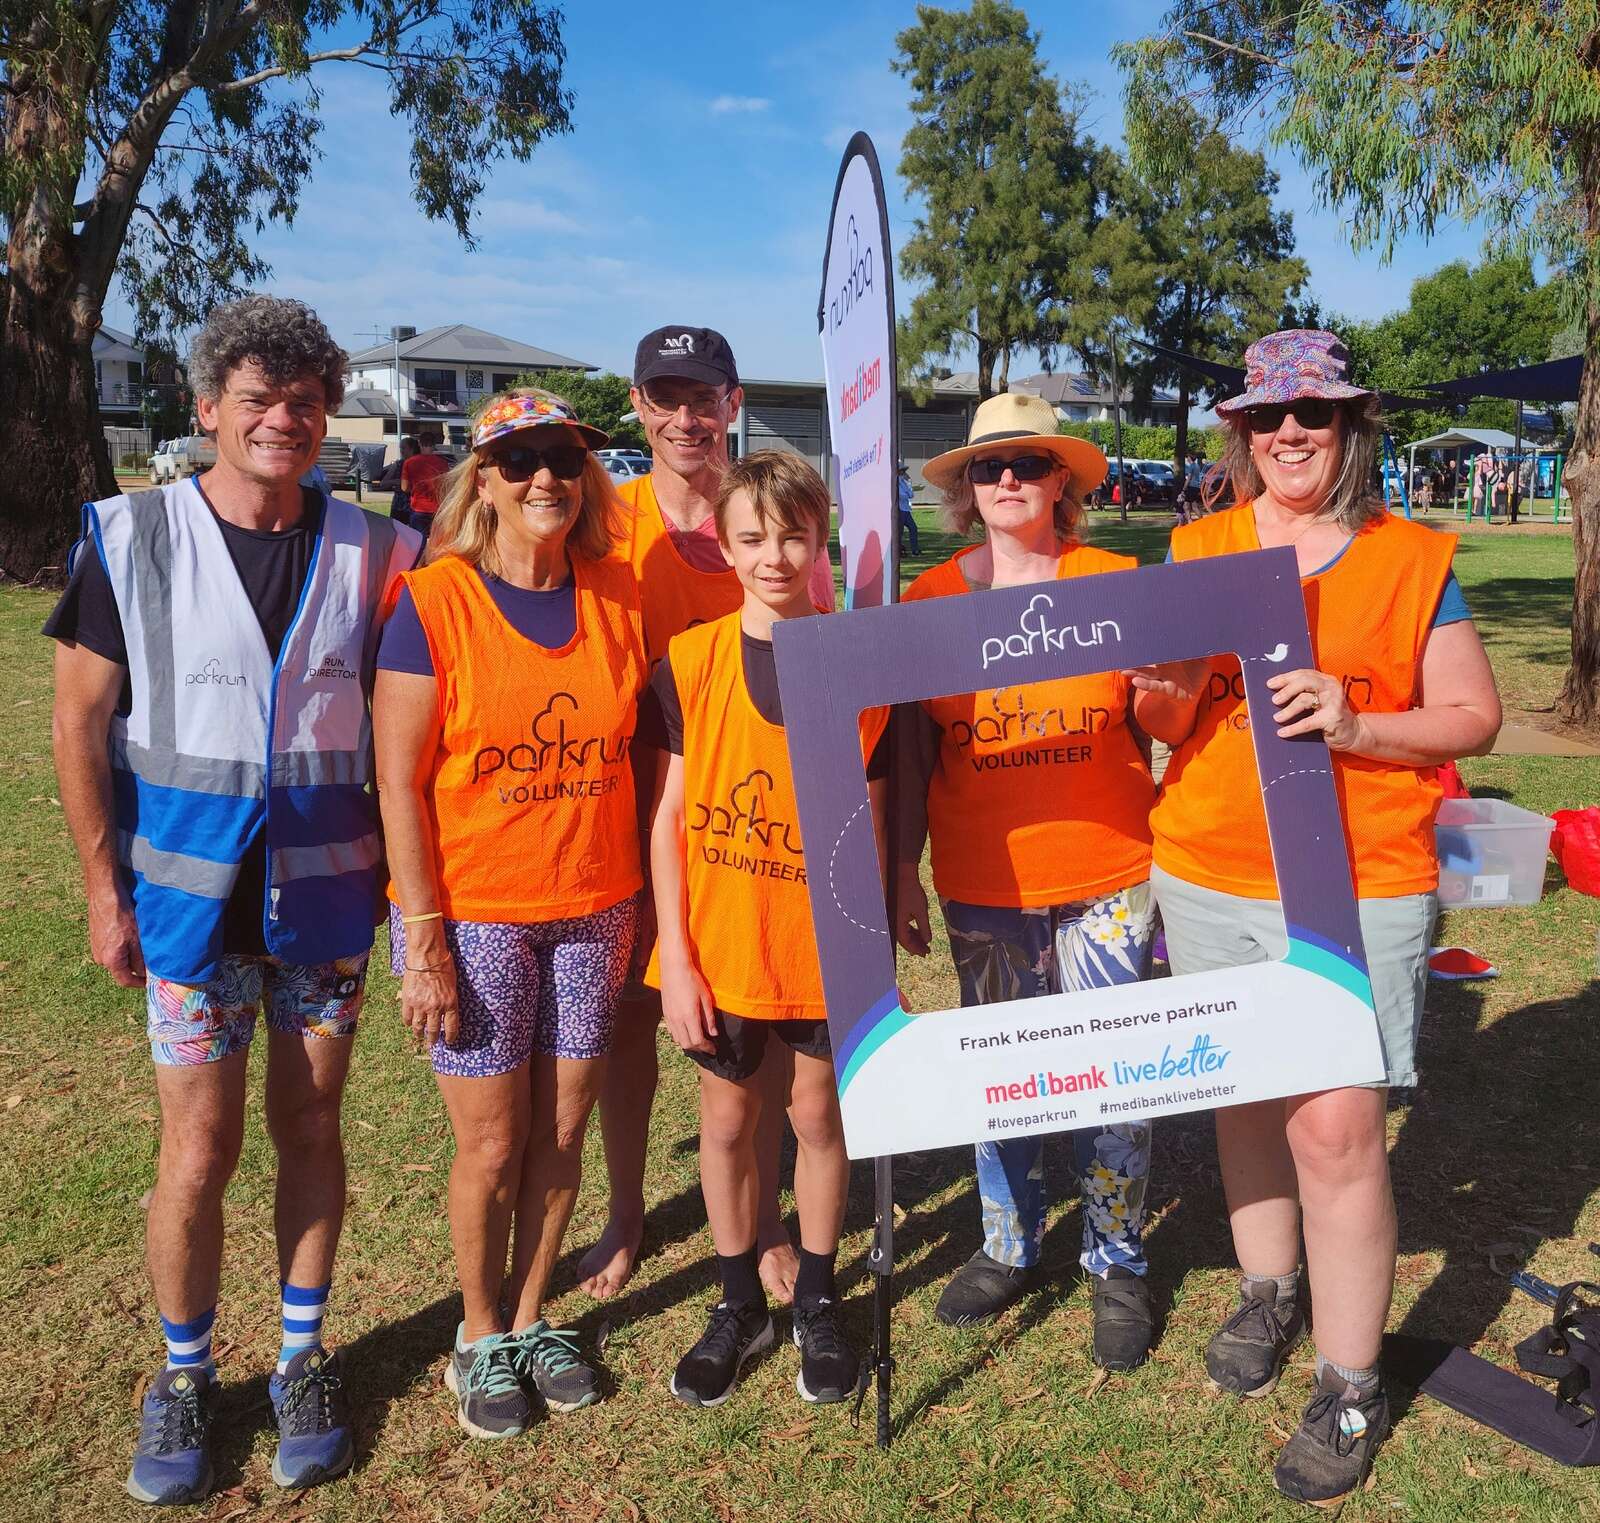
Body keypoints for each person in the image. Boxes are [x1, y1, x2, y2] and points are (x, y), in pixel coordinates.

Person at [45, 295, 422, 1505]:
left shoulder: (380, 549)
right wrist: (104, 888)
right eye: (256, 398)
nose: (283, 419)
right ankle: (186, 1375)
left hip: (322, 903)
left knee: (311, 1128)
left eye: (305, 400)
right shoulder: (129, 535)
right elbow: (78, 720)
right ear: (207, 409)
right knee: (197, 1146)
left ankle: (303, 1357)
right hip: (186, 908)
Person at [1134, 330, 1501, 1507]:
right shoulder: (1195, 545)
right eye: (1266, 419)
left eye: (1315, 416)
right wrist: (1166, 684)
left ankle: (1350, 1377)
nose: (1288, 435)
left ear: (1350, 428)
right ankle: (1266, 1285)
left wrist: (1357, 724)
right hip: (1205, 865)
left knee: (1335, 1130)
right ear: (1238, 433)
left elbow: (1473, 717)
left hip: (1360, 876)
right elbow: (1156, 708)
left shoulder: (1409, 558)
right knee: (1241, 1092)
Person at [374, 389, 645, 1441]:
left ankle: (533, 1315)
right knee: (493, 1145)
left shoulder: (616, 598)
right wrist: (424, 937)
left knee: (565, 1127)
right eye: (522, 459)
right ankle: (477, 1332)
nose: (547, 479)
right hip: (476, 916)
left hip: (594, 907)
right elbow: (398, 782)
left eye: (565, 460)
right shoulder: (433, 601)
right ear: (480, 479)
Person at [893, 393, 1163, 1370]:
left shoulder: (1114, 582)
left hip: (1108, 873)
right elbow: (915, 754)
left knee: (1115, 1075)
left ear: (1063, 481)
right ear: (965, 488)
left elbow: (1159, 717)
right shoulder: (927, 604)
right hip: (983, 880)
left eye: (1028, 464)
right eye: (986, 466)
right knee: (1004, 1078)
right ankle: (1008, 1241)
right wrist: (899, 872)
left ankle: (1116, 1256)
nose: (1006, 480)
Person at [580, 326, 832, 1306]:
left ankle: (764, 1216)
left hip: (735, 825)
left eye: (703, 396)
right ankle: (628, 1209)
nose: (685, 416)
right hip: (624, 804)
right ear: (640, 405)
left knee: (750, 1010)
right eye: (664, 397)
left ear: (731, 403)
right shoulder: (607, 519)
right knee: (635, 1020)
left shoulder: (771, 519)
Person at [642, 450, 884, 1408]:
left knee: (819, 1118)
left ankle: (819, 1296)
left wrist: (873, 934)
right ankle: (739, 1298)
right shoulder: (692, 662)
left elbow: (872, 815)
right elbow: (669, 816)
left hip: (822, 945)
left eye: (793, 535)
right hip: (726, 941)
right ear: (724, 544)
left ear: (820, 540)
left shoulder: (861, 660)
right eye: (753, 537)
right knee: (730, 1122)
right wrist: (679, 957)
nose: (775, 556)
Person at [401, 432, 449, 538]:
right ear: (434, 444)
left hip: (418, 508)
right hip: (437, 509)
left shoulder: (409, 462)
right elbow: (446, 487)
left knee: (418, 542)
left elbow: (404, 488)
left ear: (419, 443)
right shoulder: (443, 464)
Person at [379, 436, 421, 526]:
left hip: (415, 506)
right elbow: (383, 484)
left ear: (412, 449)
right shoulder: (398, 464)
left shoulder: (420, 463)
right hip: (399, 506)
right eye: (400, 448)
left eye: (403, 448)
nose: (401, 451)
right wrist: (397, 481)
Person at [896, 461, 920, 555]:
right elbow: (901, 496)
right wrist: (907, 493)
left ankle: (915, 550)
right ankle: (898, 551)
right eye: (901, 471)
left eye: (903, 471)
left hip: (906, 510)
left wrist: (909, 483)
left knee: (913, 528)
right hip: (899, 510)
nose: (903, 473)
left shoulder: (903, 482)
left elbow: (910, 495)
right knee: (899, 532)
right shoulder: (894, 483)